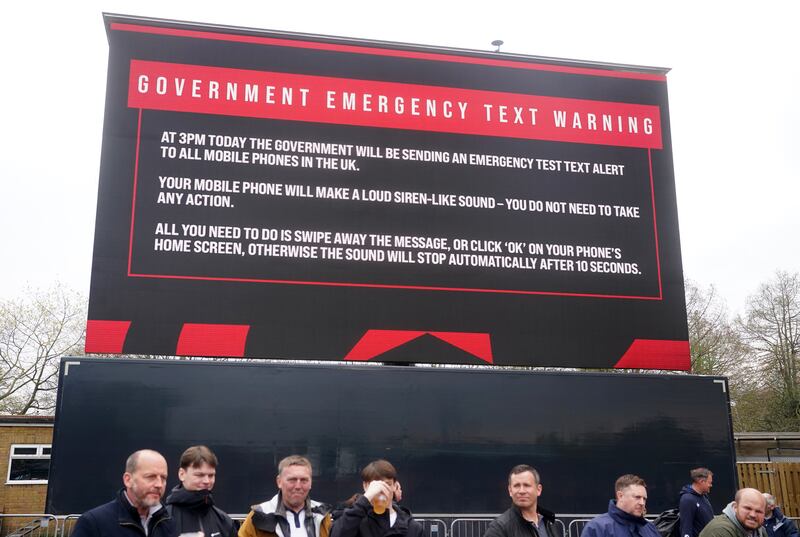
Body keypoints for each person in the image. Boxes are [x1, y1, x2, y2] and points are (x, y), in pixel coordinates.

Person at [71, 449, 175, 537]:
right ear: (128, 480)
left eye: (163, 478)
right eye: (150, 477)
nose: (159, 484)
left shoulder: (167, 523)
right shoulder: (93, 523)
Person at [239, 455, 332, 537]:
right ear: (279, 482)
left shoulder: (322, 515)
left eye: (304, 480)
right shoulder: (260, 515)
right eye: (292, 480)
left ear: (311, 483)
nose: (298, 486)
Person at [330, 459, 422, 537]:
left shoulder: (413, 527)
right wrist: (366, 498)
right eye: (375, 486)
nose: (381, 490)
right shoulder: (355, 521)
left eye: (387, 484)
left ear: (395, 485)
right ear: (365, 486)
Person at [165, 445, 237, 537]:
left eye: (211, 475)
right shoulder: (163, 520)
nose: (207, 481)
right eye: (199, 475)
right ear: (182, 474)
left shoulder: (225, 521)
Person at [483, 464, 561, 537]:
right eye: (516, 486)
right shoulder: (499, 528)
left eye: (527, 485)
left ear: (538, 490)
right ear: (510, 490)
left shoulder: (549, 522)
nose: (521, 491)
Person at [580, 474, 660, 537]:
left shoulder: (650, 528)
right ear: (620, 496)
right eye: (637, 497)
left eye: (644, 499)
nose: (642, 503)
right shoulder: (597, 527)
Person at [699, 488, 767, 537]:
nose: (753, 515)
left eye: (759, 511)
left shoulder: (759, 531)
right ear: (735, 507)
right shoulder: (720, 530)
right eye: (748, 508)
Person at [679, 468, 715, 537]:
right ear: (702, 481)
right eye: (709, 483)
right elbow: (686, 527)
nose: (711, 485)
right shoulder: (687, 500)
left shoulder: (704, 497)